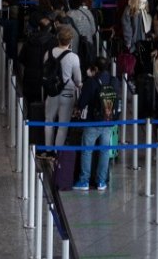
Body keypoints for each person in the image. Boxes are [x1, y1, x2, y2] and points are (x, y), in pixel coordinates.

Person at [72, 58, 118, 192]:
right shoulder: (114, 81)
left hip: (93, 121)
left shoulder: (91, 82)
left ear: (95, 69)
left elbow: (82, 103)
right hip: (109, 121)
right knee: (104, 151)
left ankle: (84, 180)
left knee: (87, 150)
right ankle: (101, 181)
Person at [44, 26, 82, 147]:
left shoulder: (48, 53)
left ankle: (48, 149)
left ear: (58, 39)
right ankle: (57, 152)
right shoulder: (73, 57)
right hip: (67, 92)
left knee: (49, 121)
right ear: (70, 41)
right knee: (63, 125)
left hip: (52, 91)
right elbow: (78, 79)